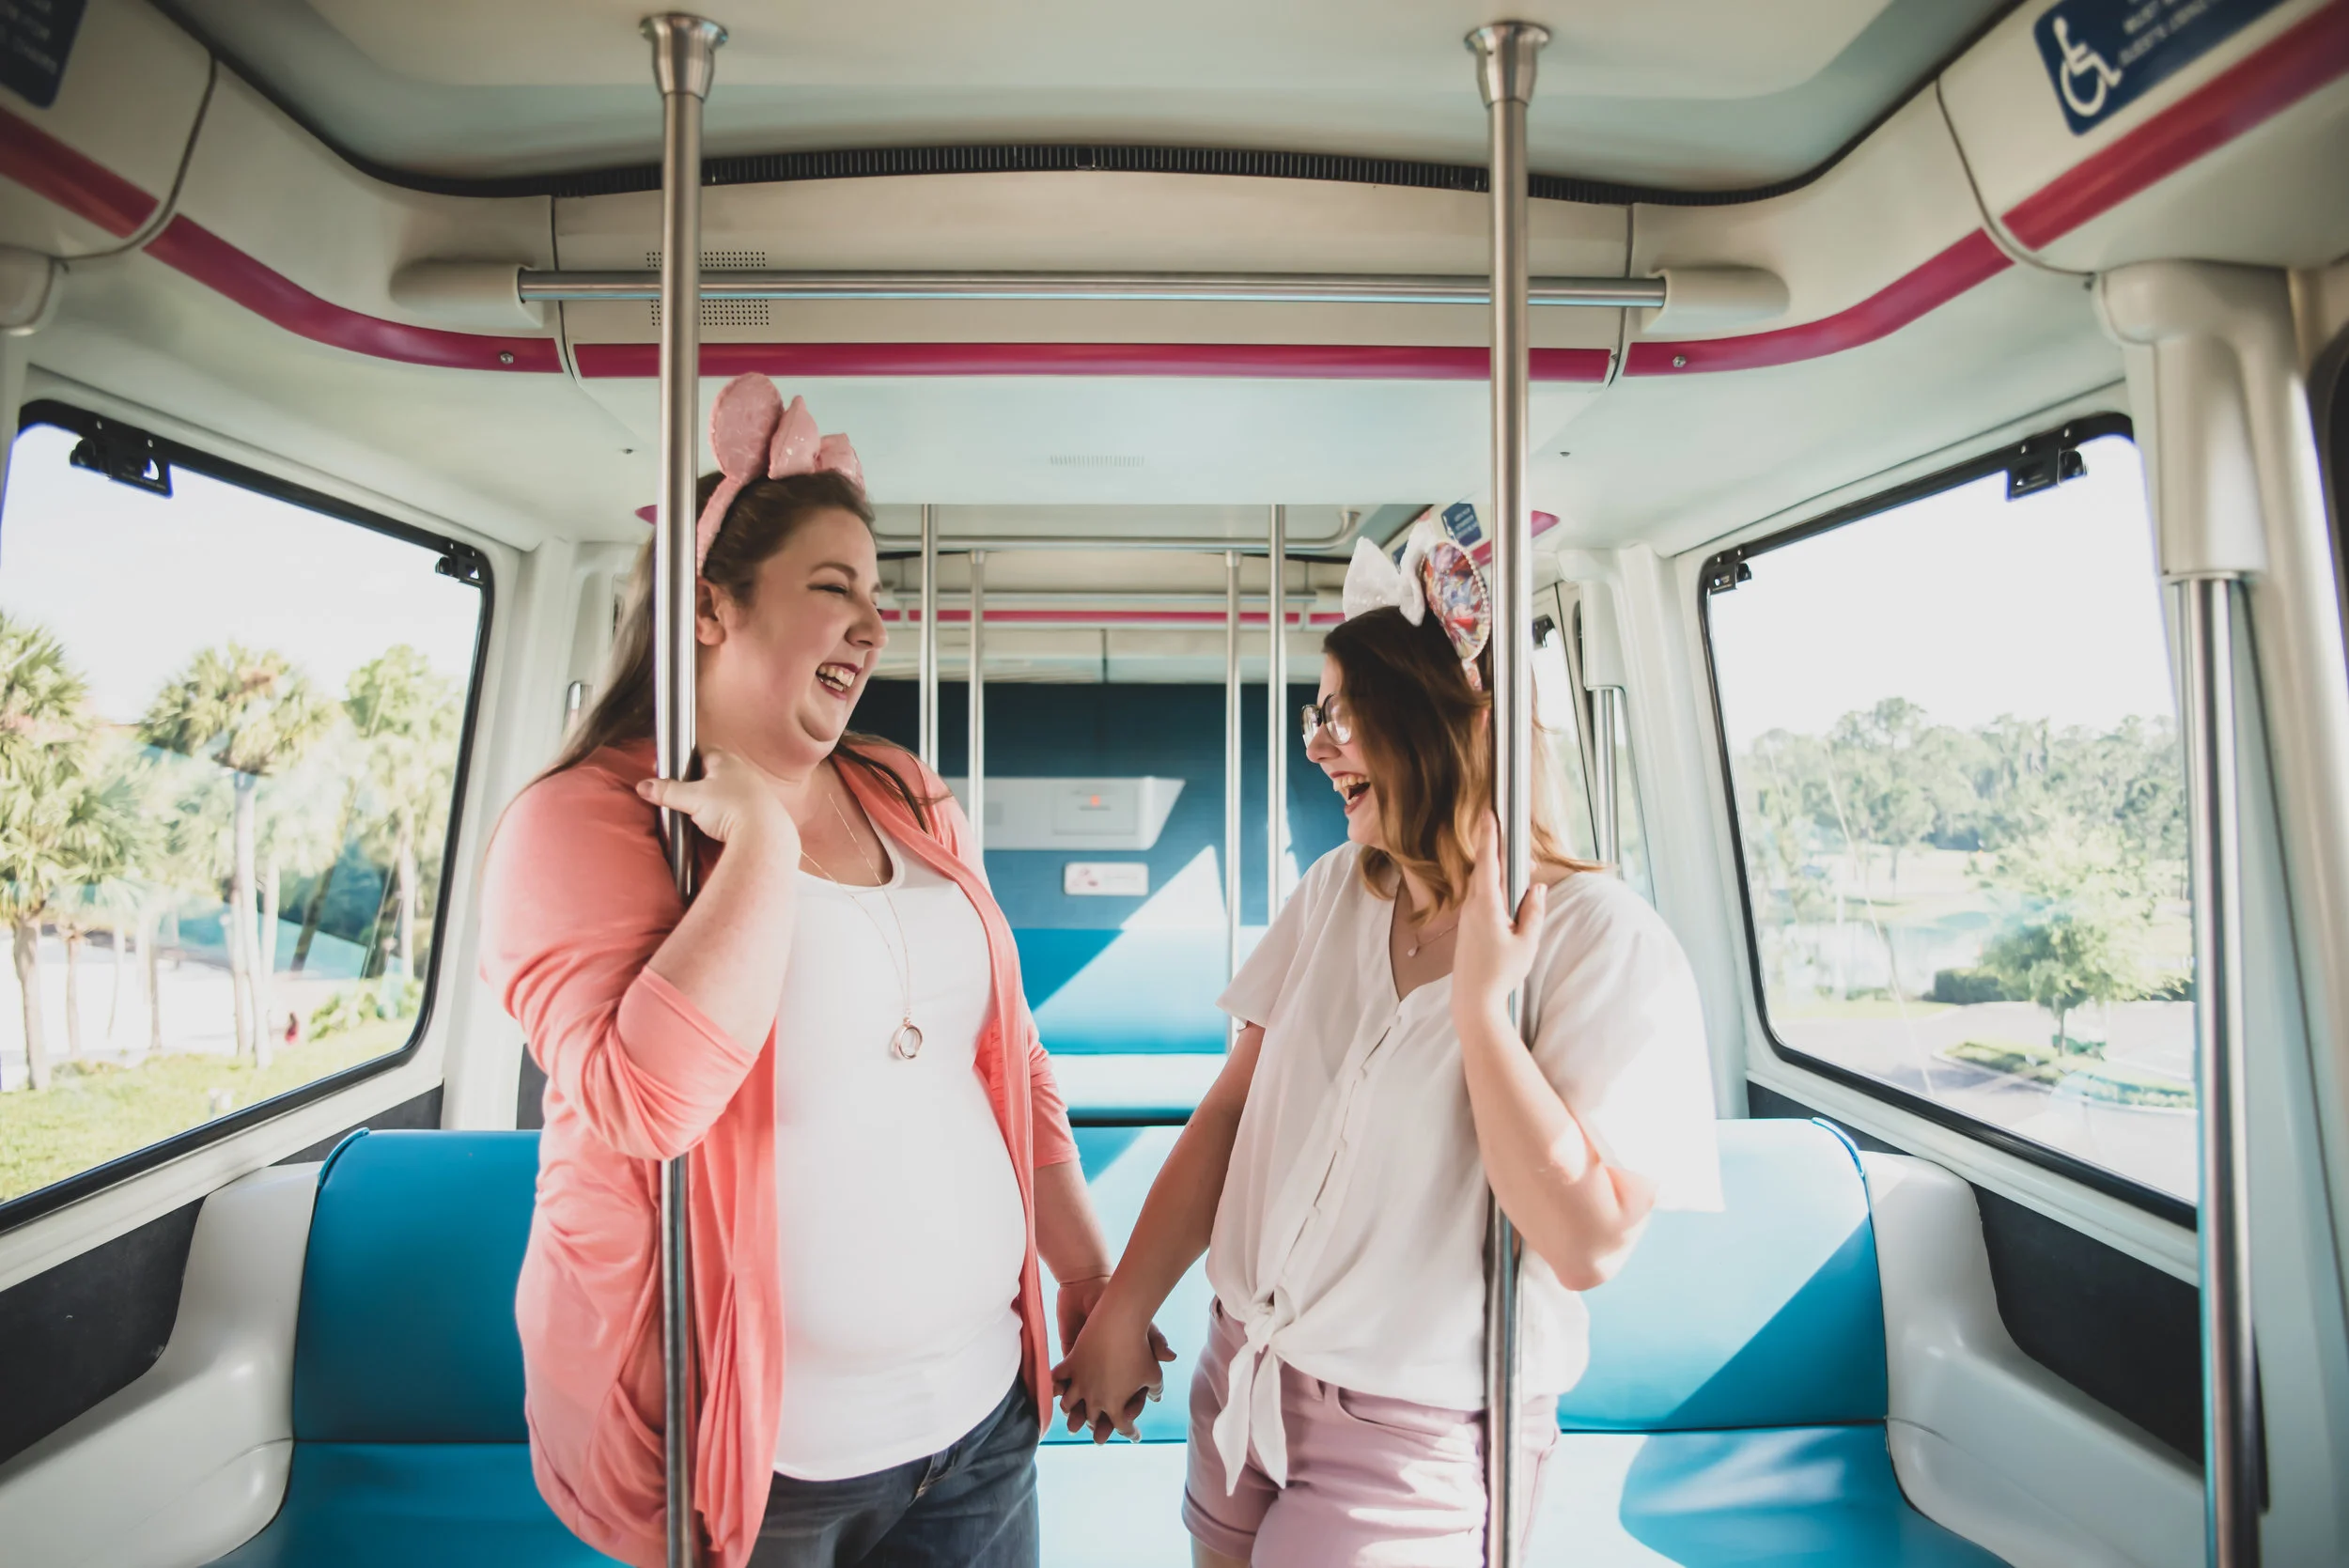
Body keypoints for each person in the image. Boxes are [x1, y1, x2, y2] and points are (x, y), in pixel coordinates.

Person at [481, 375, 1150, 1568]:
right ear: (708, 608)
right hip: (771, 1464)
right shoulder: (580, 823)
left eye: (876, 597)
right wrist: (762, 854)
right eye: (831, 589)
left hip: (980, 1425)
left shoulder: (900, 787)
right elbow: (648, 1104)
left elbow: (1006, 1054)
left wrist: (1089, 1274)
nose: (872, 623)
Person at [1053, 519, 1721, 1566]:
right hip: (1246, 1368)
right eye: (1317, 716)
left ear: (1437, 726)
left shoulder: (1604, 940)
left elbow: (1585, 1243)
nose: (1317, 745)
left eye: (1342, 716)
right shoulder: (1333, 895)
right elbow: (1231, 1116)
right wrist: (1124, 1307)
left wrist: (1480, 1011)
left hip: (1415, 1433)